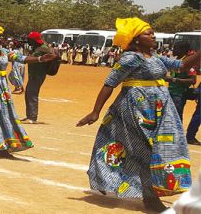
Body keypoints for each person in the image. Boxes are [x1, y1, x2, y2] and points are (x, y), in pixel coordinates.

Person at [76, 17, 200, 212]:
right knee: (146, 151)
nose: (153, 35)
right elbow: (110, 83)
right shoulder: (130, 58)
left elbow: (181, 66)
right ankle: (150, 199)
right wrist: (95, 111)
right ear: (135, 39)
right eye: (148, 33)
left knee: (161, 149)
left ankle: (152, 192)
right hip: (136, 109)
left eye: (152, 32)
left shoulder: (155, 57)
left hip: (160, 108)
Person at [0, 23, 57, 158]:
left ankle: (5, 144)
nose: (2, 37)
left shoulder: (4, 52)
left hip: (3, 88)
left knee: (5, 114)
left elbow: (21, 58)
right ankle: (0, 148)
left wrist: (39, 59)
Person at [21, 31, 53, 124]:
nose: (28, 41)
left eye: (29, 40)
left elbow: (30, 58)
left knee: (32, 94)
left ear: (34, 40)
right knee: (29, 93)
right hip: (35, 74)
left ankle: (32, 117)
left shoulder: (42, 49)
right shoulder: (40, 47)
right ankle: (29, 116)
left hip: (37, 74)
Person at [167, 41, 197, 121]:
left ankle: (178, 133)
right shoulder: (176, 60)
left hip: (179, 95)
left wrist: (174, 79)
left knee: (176, 118)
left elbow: (193, 80)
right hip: (170, 92)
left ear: (183, 50)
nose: (173, 50)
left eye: (176, 48)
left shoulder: (188, 62)